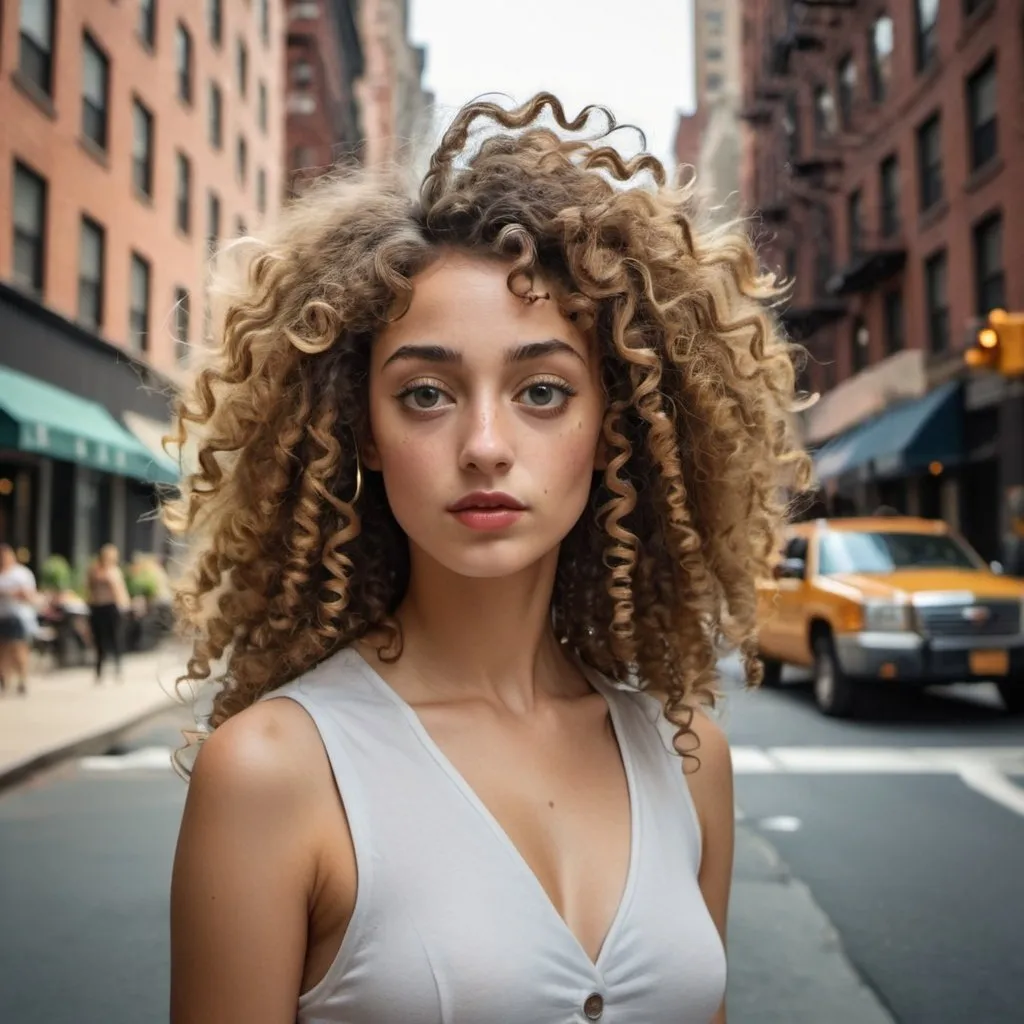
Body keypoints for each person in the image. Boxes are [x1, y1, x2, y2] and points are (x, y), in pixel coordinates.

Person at [167, 94, 807, 1024]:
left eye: (542, 390)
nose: (484, 443)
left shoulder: (687, 759)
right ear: (366, 433)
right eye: (425, 394)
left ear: (612, 425)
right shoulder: (273, 772)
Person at [86, 544, 130, 682]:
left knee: (115, 639)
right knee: (99, 641)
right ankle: (99, 670)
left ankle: (118, 668)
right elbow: (89, 587)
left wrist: (125, 605)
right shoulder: (94, 570)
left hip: (112, 607)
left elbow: (120, 590)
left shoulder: (115, 571)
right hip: (98, 607)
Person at [0, 543, 38, 696]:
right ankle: (4, 678)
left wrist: (10, 593)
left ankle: (22, 679)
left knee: (18, 648)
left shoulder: (21, 574)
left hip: (17, 616)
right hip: (1, 615)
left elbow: (30, 596)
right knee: (2, 650)